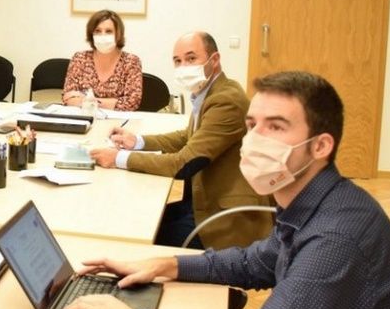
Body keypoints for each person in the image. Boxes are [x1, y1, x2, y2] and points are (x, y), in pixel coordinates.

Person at [65, 71, 390, 309]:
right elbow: (258, 261)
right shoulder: (318, 202)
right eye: (252, 125)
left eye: (275, 127)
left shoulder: (335, 242)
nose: (254, 140)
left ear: (320, 146)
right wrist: (165, 265)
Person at [89, 31, 271, 248]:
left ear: (214, 60)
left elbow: (183, 164)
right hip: (202, 199)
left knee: (142, 236)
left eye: (191, 58)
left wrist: (119, 158)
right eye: (177, 61)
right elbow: (187, 137)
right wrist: (137, 141)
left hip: (224, 217)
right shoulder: (211, 91)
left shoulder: (226, 100)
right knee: (140, 215)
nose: (183, 66)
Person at [62, 10, 142, 111]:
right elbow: (68, 98)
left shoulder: (131, 62)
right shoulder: (79, 59)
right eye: (97, 31)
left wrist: (88, 101)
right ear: (91, 34)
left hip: (117, 120)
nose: (103, 36)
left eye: (109, 31)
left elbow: (131, 103)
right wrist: (112, 102)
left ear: (118, 35)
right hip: (84, 118)